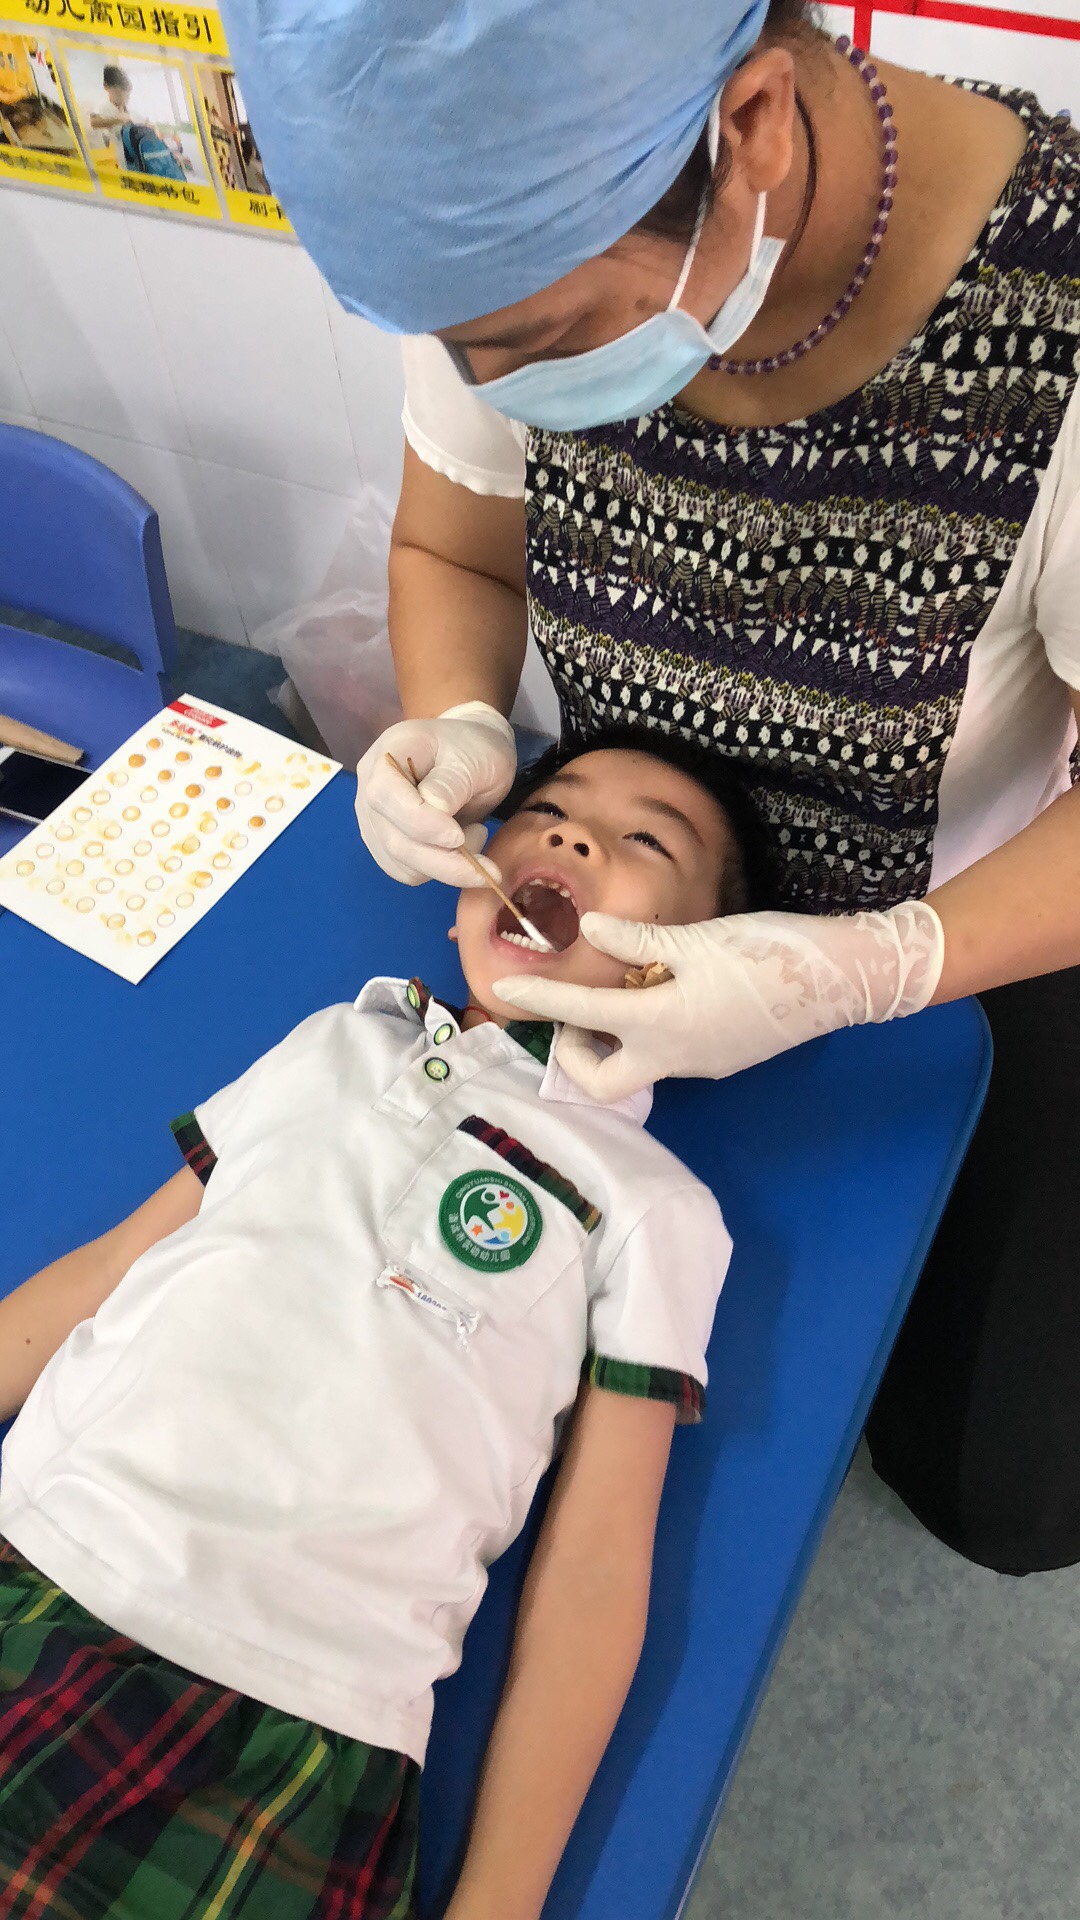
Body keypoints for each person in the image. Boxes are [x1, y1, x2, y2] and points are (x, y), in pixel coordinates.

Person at [217, 0, 1080, 1579]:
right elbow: (457, 544)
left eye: (538, 341)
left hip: (965, 961)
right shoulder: (508, 248)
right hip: (625, 955)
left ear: (750, 127)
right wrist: (459, 720)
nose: (491, 381)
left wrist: (872, 966)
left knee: (988, 1479)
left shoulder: (1059, 330)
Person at [0, 732, 769, 1920]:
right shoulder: (334, 1041)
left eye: (643, 842)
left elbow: (596, 1567)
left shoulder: (651, 1206)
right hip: (38, 1560)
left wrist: (499, 1899)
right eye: (547, 810)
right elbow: (112, 1265)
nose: (571, 834)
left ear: (685, 976)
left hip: (289, 1719)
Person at [87, 62, 132, 160]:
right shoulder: (103, 106)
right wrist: (119, 119)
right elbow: (94, 122)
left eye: (125, 92)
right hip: (123, 160)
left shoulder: (130, 109)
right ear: (106, 86)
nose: (122, 95)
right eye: (117, 91)